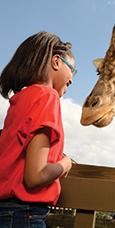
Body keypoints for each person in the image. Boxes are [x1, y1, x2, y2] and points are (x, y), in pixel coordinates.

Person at [0, 31, 75, 227]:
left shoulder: (21, 99)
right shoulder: (47, 97)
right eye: (72, 71)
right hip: (24, 215)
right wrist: (66, 163)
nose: (71, 80)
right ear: (56, 62)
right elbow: (35, 176)